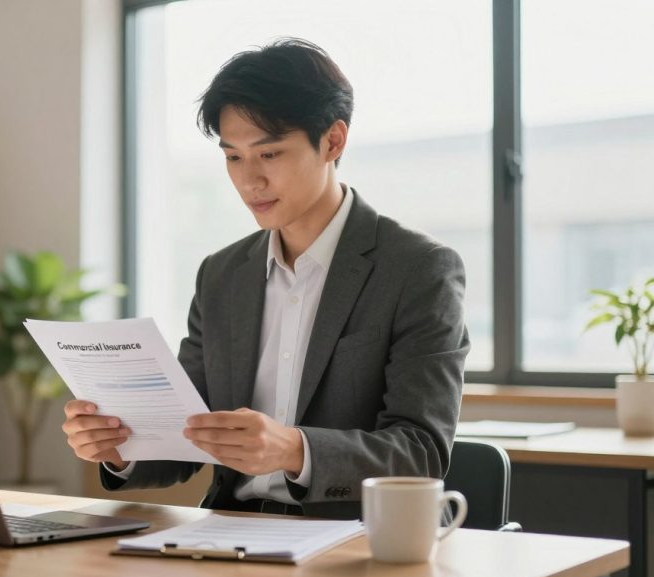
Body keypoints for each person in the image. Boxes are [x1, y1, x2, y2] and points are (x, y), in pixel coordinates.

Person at [61, 38, 469, 518]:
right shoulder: (222, 274)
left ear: (333, 141)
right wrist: (118, 448)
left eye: (269, 154)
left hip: (359, 540)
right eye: (233, 157)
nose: (249, 180)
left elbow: (421, 452)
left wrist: (295, 451)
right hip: (233, 536)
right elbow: (186, 434)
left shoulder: (418, 269)